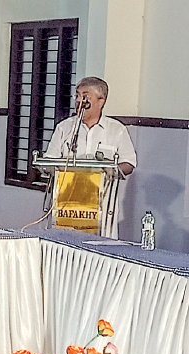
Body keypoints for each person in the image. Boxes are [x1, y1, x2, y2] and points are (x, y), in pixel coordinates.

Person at [44, 76, 137, 238]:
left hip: (102, 205)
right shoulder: (64, 128)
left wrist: (107, 171)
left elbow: (128, 163)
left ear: (101, 101)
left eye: (85, 96)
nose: (80, 101)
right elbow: (49, 160)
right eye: (77, 95)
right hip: (67, 206)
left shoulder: (116, 130)